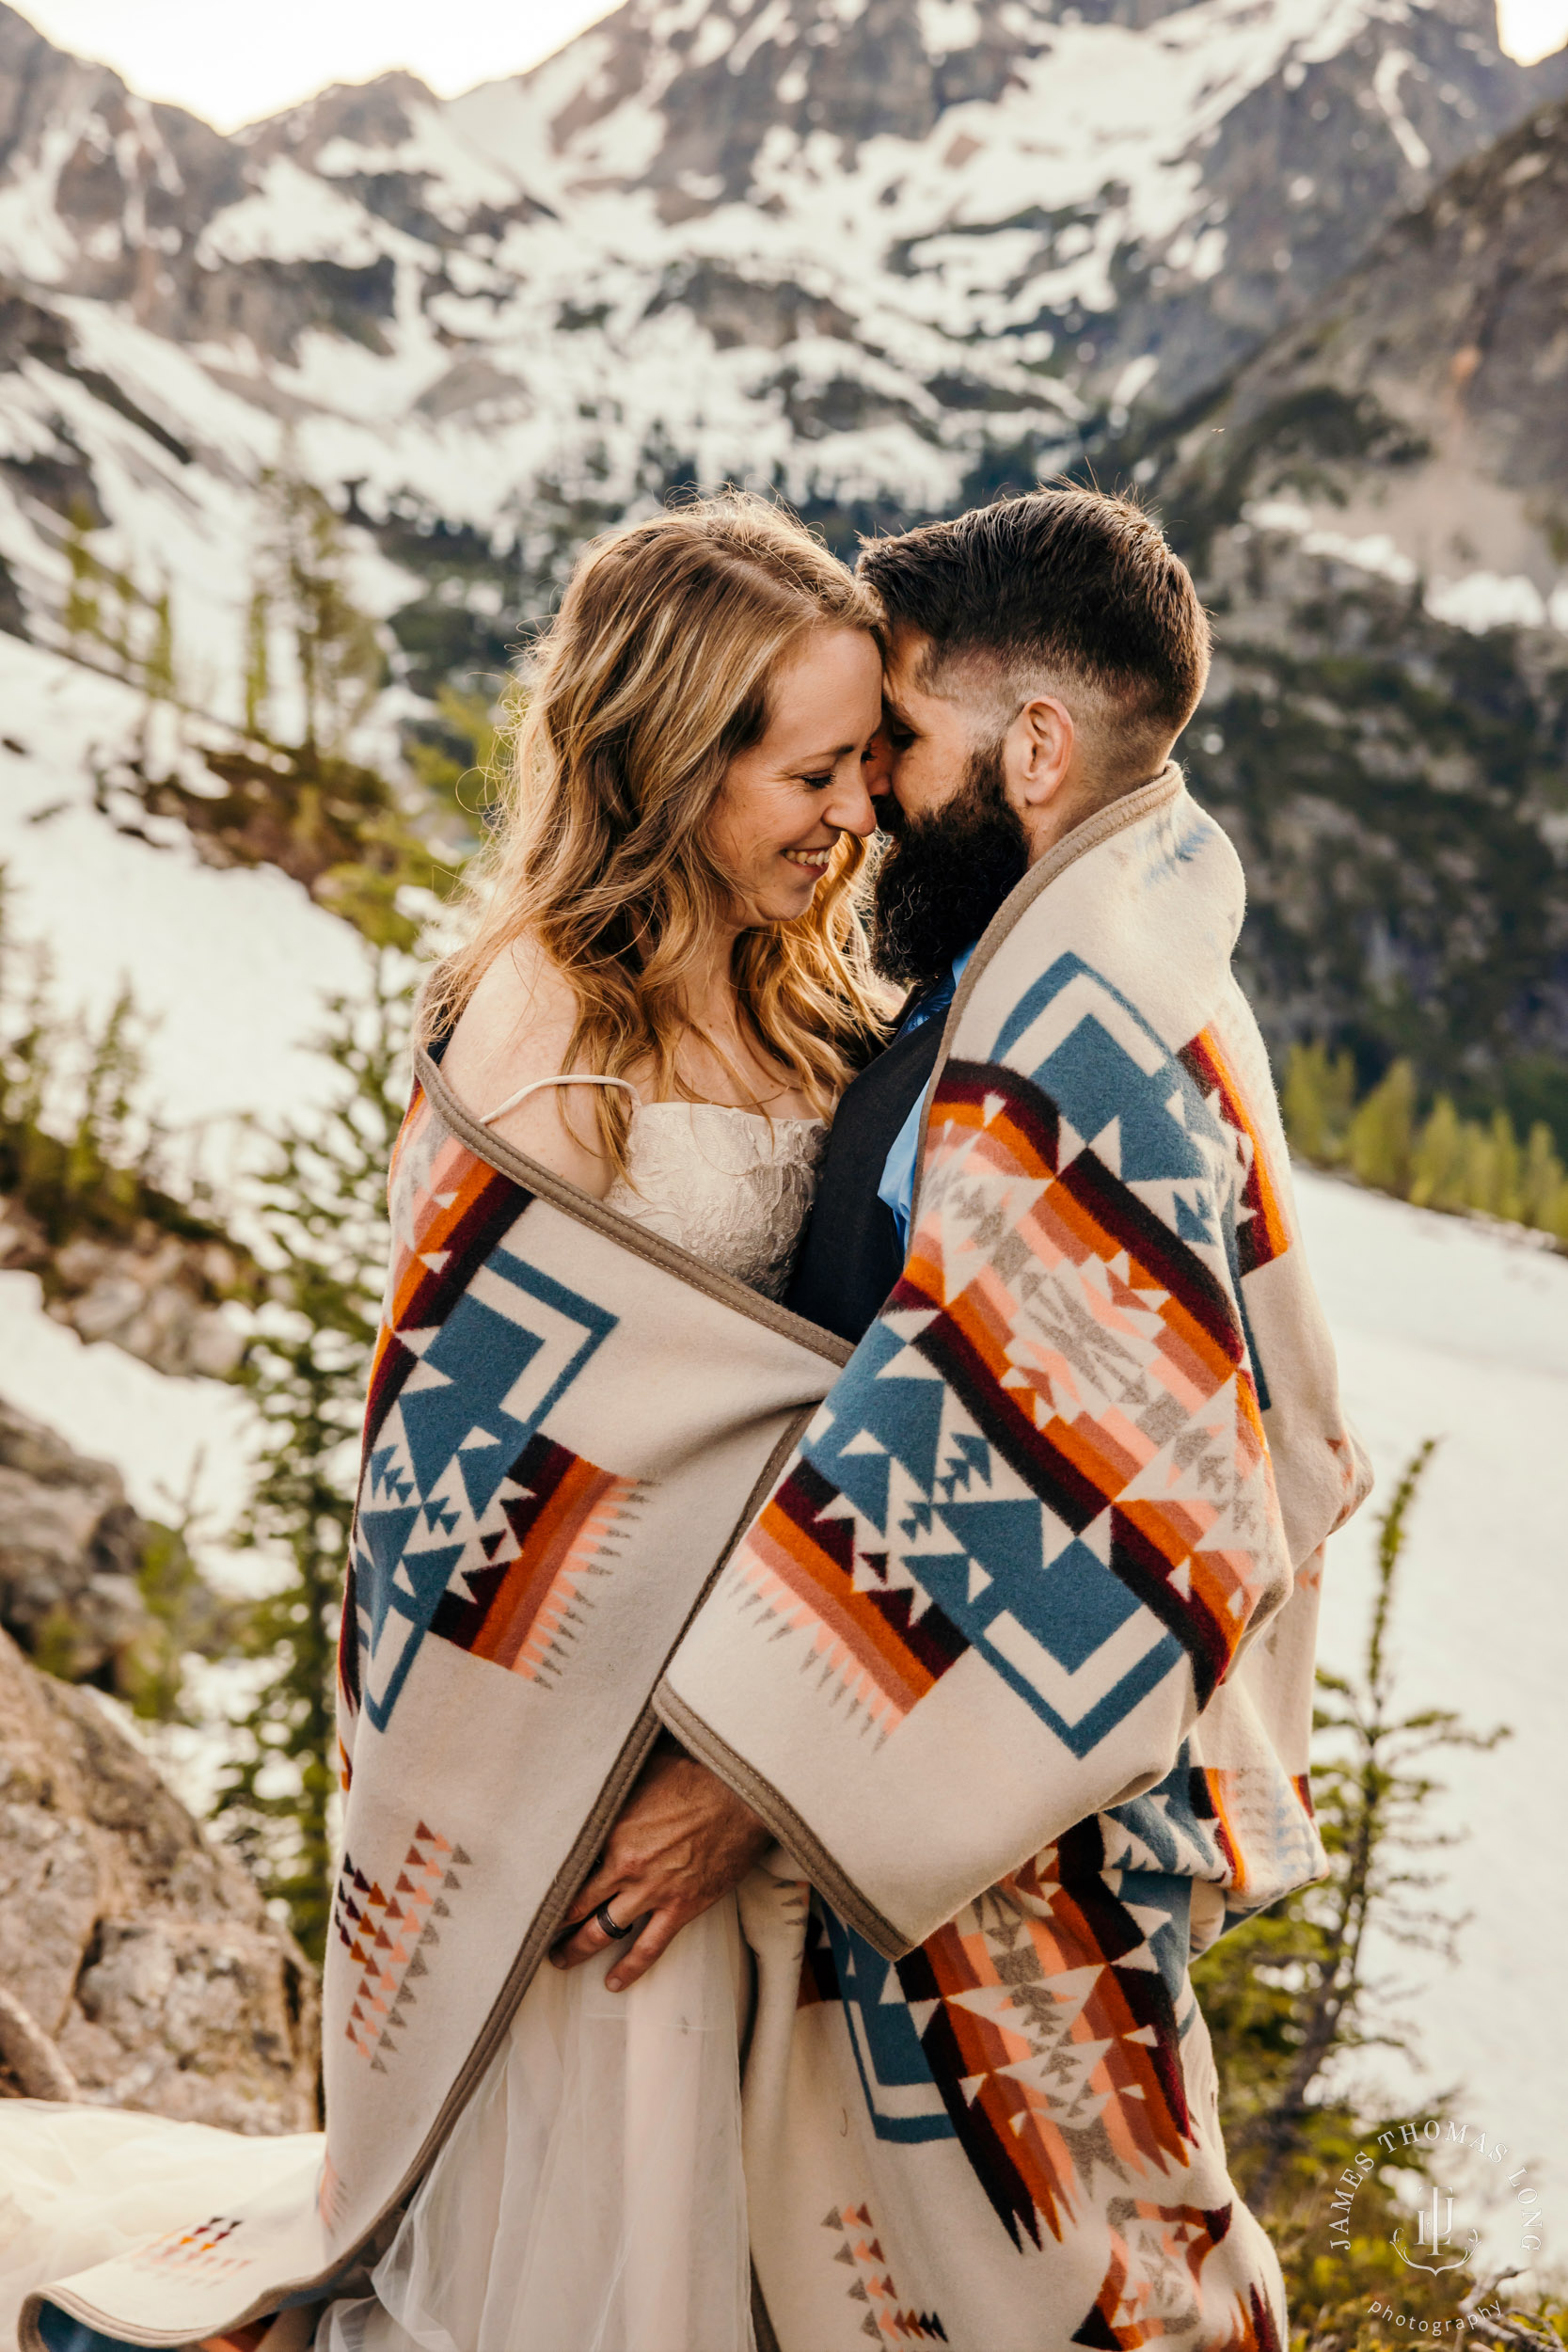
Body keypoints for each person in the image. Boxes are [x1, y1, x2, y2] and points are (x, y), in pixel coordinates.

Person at [3, 492, 889, 2352]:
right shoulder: (546, 1017)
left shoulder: (800, 991)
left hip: (753, 1710)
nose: (854, 812)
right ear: (674, 756)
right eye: (813, 770)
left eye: (867, 766)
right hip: (565, 1723)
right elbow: (498, 1450)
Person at [631, 488, 1372, 2348]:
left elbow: (1072, 1437)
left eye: (903, 738)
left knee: (1086, 2275)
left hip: (1014, 1828)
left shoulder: (1087, 1007)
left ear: (1034, 744)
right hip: (968, 1784)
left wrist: (748, 1767)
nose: (872, 788)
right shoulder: (1089, 947)